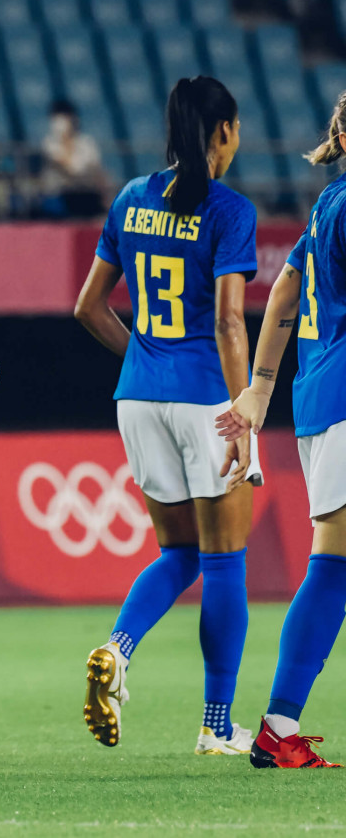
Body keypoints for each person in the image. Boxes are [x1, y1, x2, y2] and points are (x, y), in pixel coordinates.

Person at [73, 76, 260, 755]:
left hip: (139, 399)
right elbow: (230, 319)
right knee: (225, 560)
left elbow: (87, 308)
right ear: (222, 133)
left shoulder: (130, 198)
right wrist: (245, 413)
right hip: (206, 398)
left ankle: (118, 650)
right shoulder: (229, 209)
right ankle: (216, 723)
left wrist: (145, 359)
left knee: (179, 552)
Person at [216, 91, 346, 769]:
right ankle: (276, 726)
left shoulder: (328, 207)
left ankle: (278, 726)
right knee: (334, 564)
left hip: (322, 398)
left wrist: (262, 386)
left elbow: (288, 291)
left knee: (337, 563)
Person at [40, 99, 108, 218]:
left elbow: (97, 170)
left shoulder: (87, 143)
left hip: (87, 193)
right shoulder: (49, 143)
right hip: (60, 194)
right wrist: (65, 140)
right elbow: (71, 169)